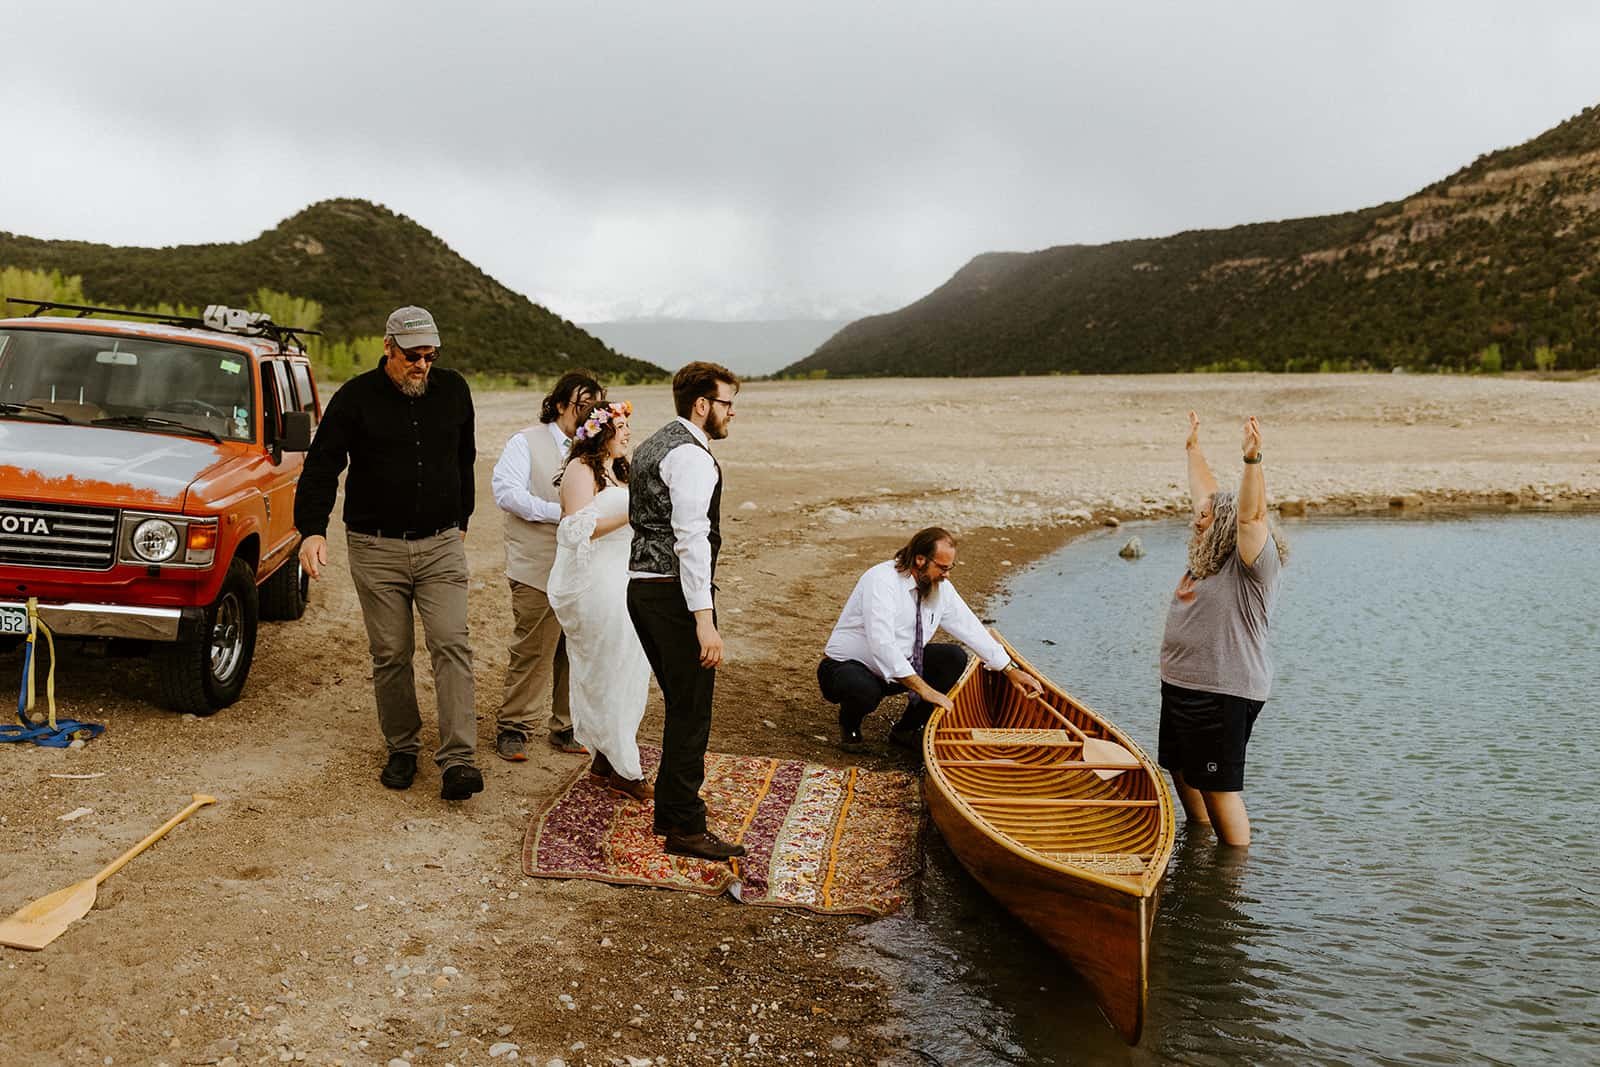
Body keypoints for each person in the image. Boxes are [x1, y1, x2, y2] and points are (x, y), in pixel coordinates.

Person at [295, 306, 482, 801]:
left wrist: (462, 517)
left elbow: (465, 456)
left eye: (430, 356)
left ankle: (459, 760)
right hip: (375, 547)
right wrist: (311, 531)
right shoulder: (355, 398)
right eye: (412, 356)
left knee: (451, 644)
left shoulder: (454, 390)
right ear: (388, 348)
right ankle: (402, 747)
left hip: (441, 544)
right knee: (391, 652)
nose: (422, 365)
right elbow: (322, 466)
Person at [626, 361, 747, 862]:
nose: (731, 414)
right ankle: (683, 826)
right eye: (726, 404)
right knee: (691, 707)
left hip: (642, 587)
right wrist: (705, 619)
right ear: (703, 405)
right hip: (673, 594)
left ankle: (673, 815)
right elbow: (691, 538)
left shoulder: (655, 443)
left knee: (682, 703)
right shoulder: (692, 457)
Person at [1158, 412, 1289, 847]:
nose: (1197, 519)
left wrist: (1253, 461)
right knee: (1181, 770)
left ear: (1228, 525)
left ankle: (1230, 877)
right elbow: (1204, 493)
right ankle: (1198, 843)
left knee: (1218, 787)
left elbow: (1252, 516)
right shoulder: (1205, 558)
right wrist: (1192, 449)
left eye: (1206, 516)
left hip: (1223, 692)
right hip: (1182, 686)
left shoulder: (1250, 565)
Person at [818, 526, 1044, 752]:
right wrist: (925, 690)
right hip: (845, 667)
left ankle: (905, 730)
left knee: (953, 657)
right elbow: (882, 644)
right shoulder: (881, 580)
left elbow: (969, 626)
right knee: (863, 689)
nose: (947, 575)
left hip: (900, 668)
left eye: (950, 567)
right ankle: (850, 726)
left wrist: (1009, 669)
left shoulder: (940, 586)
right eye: (943, 568)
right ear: (919, 560)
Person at [489, 371, 605, 760]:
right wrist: (561, 513)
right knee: (534, 647)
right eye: (582, 404)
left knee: (575, 647)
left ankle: (566, 725)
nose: (590, 412)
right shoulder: (525, 442)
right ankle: (513, 727)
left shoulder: (596, 449)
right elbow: (506, 492)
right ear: (559, 404)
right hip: (536, 562)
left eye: (596, 405)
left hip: (582, 567)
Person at [546, 400, 654, 802]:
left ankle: (605, 759)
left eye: (628, 424)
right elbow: (574, 531)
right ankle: (626, 768)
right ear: (599, 431)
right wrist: (632, 514)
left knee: (630, 668)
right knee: (609, 669)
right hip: (594, 584)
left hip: (624, 576)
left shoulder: (621, 470)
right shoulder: (580, 469)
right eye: (620, 426)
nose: (627, 432)